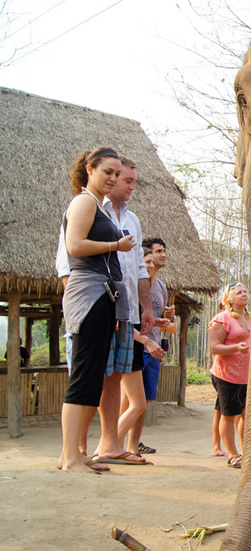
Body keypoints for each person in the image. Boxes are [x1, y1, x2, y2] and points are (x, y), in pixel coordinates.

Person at [57, 157, 155, 466]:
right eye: (109, 173)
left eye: (119, 175)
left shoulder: (105, 211)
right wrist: (115, 245)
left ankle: (85, 451)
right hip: (90, 296)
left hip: (111, 302)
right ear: (90, 170)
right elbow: (71, 251)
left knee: (101, 377)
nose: (115, 180)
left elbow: (137, 266)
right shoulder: (84, 204)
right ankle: (73, 453)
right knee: (86, 376)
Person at [125, 240, 176, 455]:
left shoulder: (161, 287)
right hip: (136, 346)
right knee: (128, 401)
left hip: (153, 349)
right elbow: (127, 322)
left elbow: (157, 319)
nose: (162, 255)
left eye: (164, 251)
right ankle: (114, 444)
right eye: (157, 252)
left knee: (144, 401)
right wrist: (145, 339)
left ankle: (133, 446)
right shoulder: (134, 285)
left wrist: (164, 317)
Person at [209, 282, 250, 468]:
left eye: (245, 291)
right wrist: (235, 347)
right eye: (238, 292)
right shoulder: (222, 319)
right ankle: (232, 455)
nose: (243, 294)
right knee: (228, 415)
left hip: (247, 376)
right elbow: (214, 347)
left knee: (246, 415)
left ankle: (245, 452)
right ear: (229, 299)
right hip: (227, 376)